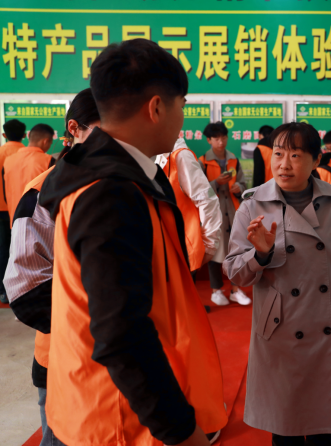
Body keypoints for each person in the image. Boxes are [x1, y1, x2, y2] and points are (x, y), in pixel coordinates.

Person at [39, 39, 227, 446]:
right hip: (119, 421)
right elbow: (122, 334)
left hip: (111, 409)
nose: (182, 117)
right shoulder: (110, 193)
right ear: (156, 108)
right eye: (182, 105)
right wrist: (180, 431)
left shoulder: (115, 177)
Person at [223, 122, 331, 447]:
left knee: (323, 433)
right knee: (285, 430)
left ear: (316, 160)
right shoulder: (252, 206)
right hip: (280, 332)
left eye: (295, 155)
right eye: (278, 154)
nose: (284, 164)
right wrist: (260, 255)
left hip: (328, 327)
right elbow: (235, 272)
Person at [3, 89, 101, 447]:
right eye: (107, 132)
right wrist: (99, 332)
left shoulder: (126, 187)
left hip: (123, 364)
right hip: (66, 359)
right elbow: (26, 292)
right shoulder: (43, 192)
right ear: (74, 129)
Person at [199, 122, 251, 307]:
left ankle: (236, 290)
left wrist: (239, 188)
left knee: (237, 251)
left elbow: (243, 183)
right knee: (215, 251)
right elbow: (198, 191)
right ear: (209, 140)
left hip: (234, 211)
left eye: (223, 137)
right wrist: (216, 183)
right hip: (214, 213)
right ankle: (216, 290)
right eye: (216, 138)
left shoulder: (233, 159)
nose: (220, 142)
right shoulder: (203, 161)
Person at [156, 137, 223, 272]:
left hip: (183, 249)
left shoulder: (181, 156)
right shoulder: (158, 155)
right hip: (166, 248)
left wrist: (209, 246)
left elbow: (207, 200)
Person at [3, 123, 55, 227]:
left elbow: (5, 193)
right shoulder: (49, 160)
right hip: (39, 224)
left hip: (14, 220)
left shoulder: (8, 160)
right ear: (46, 141)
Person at [0, 119, 26, 304]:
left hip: (1, 209)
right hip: (21, 209)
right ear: (24, 135)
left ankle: (3, 291)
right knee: (20, 250)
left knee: (2, 249)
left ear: (4, 135)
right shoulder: (29, 155)